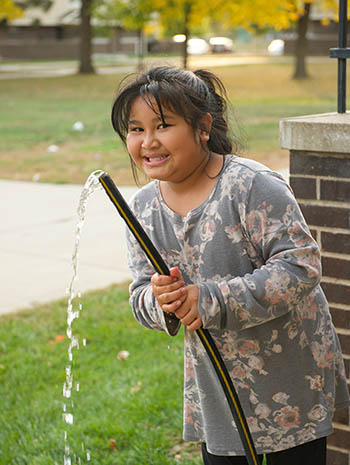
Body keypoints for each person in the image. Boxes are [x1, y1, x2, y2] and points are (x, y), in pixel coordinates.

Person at [111, 66, 350, 465]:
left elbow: (300, 265)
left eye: (163, 125)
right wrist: (162, 302)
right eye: (136, 129)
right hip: (216, 387)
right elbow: (140, 294)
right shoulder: (143, 210)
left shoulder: (249, 186)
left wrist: (210, 299)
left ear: (203, 127)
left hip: (289, 378)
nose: (148, 142)